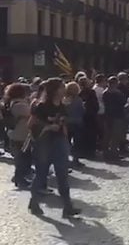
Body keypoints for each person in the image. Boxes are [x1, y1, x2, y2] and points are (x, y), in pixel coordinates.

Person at [28, 78, 81, 217]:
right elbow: (32, 124)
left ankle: (68, 207)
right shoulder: (42, 106)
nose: (65, 89)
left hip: (59, 142)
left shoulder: (62, 105)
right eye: (62, 87)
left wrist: (63, 131)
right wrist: (49, 126)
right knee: (41, 174)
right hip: (44, 142)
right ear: (55, 90)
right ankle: (34, 202)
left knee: (62, 174)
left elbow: (63, 121)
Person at [5, 83, 32, 188]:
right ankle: (19, 179)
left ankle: (19, 177)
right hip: (21, 136)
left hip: (15, 134)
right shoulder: (20, 105)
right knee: (23, 158)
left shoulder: (11, 103)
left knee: (21, 158)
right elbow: (32, 113)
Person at [103, 76, 127, 160]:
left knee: (107, 135)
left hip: (107, 115)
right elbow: (123, 103)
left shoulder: (105, 92)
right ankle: (114, 153)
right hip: (117, 116)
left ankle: (105, 152)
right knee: (115, 136)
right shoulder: (118, 93)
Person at [63, 82, 85, 168]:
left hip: (67, 123)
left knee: (67, 141)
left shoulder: (65, 99)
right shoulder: (78, 100)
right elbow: (82, 111)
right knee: (77, 142)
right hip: (77, 122)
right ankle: (75, 159)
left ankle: (66, 159)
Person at [78, 76, 99, 158]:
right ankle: (90, 151)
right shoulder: (91, 92)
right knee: (91, 134)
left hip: (82, 116)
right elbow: (95, 105)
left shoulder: (79, 92)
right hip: (91, 116)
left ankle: (83, 151)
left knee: (83, 134)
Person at [92, 74, 107, 154]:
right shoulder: (101, 90)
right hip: (101, 110)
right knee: (101, 130)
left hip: (97, 111)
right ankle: (100, 146)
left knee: (98, 129)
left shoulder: (94, 88)